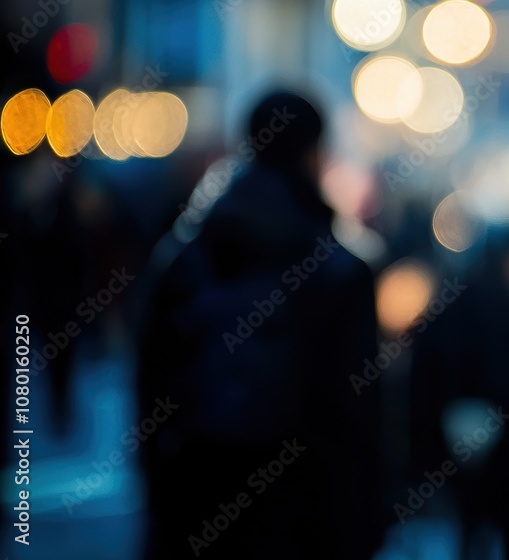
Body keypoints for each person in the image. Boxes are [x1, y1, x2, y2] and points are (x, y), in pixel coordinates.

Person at [135, 88, 385, 559]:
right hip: (307, 516)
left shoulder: (184, 259)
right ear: (317, 154)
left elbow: (150, 387)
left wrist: (159, 496)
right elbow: (359, 417)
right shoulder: (342, 270)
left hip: (197, 497)